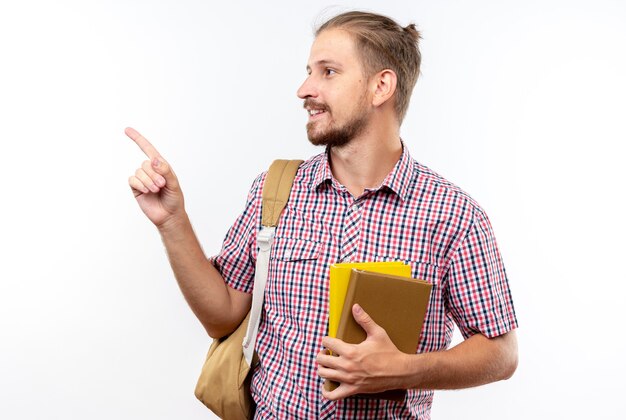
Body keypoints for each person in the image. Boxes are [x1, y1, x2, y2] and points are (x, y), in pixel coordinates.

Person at [127, 10, 518, 419]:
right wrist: (172, 221)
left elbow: (501, 353)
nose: (304, 89)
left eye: (328, 72)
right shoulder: (275, 189)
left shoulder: (453, 214)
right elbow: (222, 315)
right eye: (309, 71)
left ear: (381, 86)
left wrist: (405, 369)